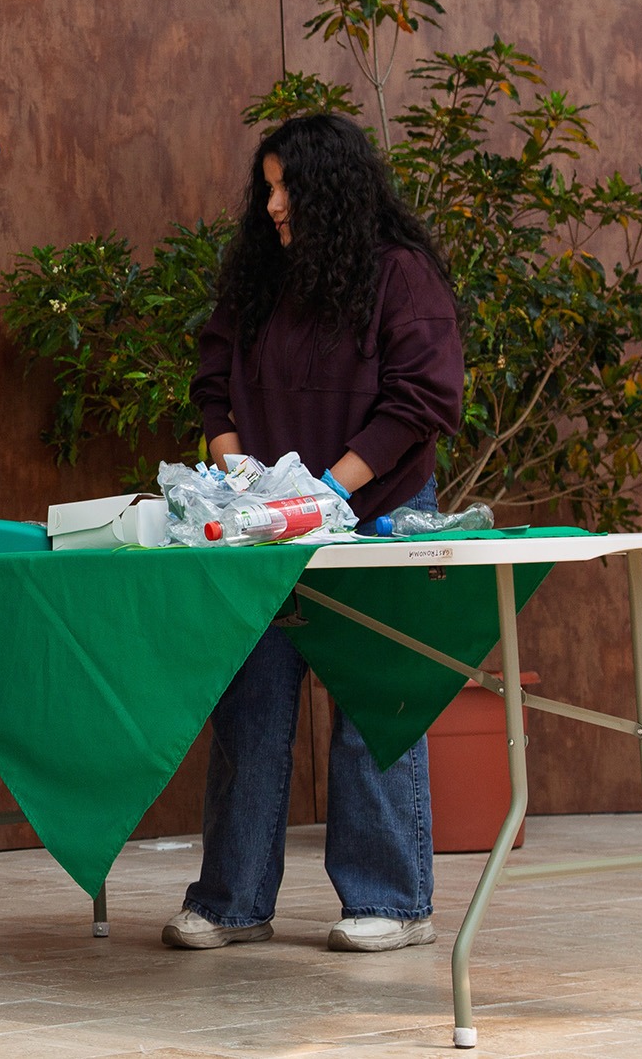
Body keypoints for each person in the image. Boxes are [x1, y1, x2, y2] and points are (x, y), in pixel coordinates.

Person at [165, 113, 464, 952]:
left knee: (377, 699)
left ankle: (390, 903)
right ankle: (234, 901)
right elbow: (212, 382)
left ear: (333, 191)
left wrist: (332, 491)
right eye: (265, 188)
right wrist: (241, 478)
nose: (272, 207)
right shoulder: (260, 280)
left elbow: (422, 399)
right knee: (251, 701)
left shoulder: (401, 276)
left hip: (379, 513)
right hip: (267, 523)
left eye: (287, 187)